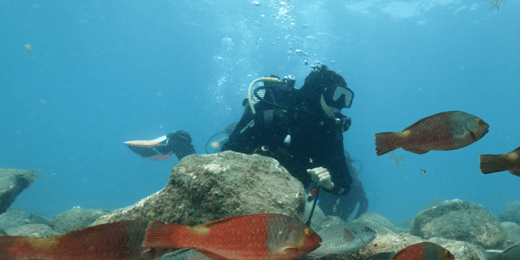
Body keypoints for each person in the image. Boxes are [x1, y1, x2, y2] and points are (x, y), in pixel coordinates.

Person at [126, 65, 363, 212]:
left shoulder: (330, 131)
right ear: (320, 91)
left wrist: (330, 184)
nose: (341, 106)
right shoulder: (274, 112)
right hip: (242, 175)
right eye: (336, 97)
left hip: (283, 198)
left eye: (346, 100)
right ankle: (178, 143)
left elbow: (344, 184)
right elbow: (229, 156)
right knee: (206, 190)